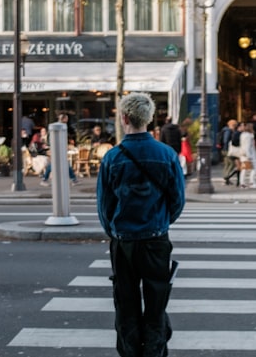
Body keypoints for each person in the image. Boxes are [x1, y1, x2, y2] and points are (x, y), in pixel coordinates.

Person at [97, 92, 185, 357]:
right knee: (156, 304)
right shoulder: (166, 154)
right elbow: (177, 200)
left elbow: (104, 206)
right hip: (156, 239)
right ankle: (154, 352)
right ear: (149, 118)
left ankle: (131, 352)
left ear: (124, 118)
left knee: (126, 305)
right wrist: (160, 221)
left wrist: (114, 230)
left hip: (124, 241)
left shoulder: (113, 157)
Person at [217, 119, 239, 184]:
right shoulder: (228, 131)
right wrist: (226, 148)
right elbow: (226, 140)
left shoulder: (224, 130)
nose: (235, 127)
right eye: (235, 126)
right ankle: (226, 177)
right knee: (232, 163)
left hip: (223, 149)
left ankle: (226, 179)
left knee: (227, 164)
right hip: (226, 149)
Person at [238, 123, 256, 188]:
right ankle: (251, 182)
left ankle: (242, 183)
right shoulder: (249, 136)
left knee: (244, 169)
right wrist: (249, 156)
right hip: (249, 155)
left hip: (243, 154)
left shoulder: (243, 135)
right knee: (255, 168)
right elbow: (247, 147)